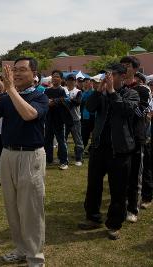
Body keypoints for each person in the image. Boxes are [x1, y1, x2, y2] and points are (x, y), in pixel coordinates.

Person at [0, 57, 48, 267]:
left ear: (34, 74)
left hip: (30, 156)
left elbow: (29, 115)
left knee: (31, 209)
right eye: (14, 70)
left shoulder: (39, 96)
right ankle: (22, 249)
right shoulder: (7, 98)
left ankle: (35, 258)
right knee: (13, 207)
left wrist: (9, 89)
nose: (15, 73)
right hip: (8, 155)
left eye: (21, 70)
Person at [78, 64, 139, 240]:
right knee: (93, 185)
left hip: (120, 150)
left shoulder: (131, 93)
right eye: (107, 74)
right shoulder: (102, 93)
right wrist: (99, 91)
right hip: (99, 148)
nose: (108, 77)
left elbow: (126, 111)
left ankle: (114, 224)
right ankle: (92, 217)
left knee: (118, 189)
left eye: (112, 74)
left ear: (123, 76)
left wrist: (112, 92)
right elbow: (89, 107)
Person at [120, 56, 150, 223]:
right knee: (121, 174)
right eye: (122, 65)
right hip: (119, 138)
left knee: (135, 175)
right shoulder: (118, 87)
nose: (124, 68)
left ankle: (133, 208)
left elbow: (140, 112)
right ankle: (122, 204)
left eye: (127, 66)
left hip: (137, 137)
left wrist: (124, 104)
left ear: (136, 69)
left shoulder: (143, 90)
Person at [44, 70, 70, 170]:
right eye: (53, 76)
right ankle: (48, 159)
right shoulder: (47, 90)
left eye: (57, 76)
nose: (55, 78)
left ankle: (64, 161)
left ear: (61, 79)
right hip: (49, 118)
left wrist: (54, 101)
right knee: (47, 140)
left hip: (59, 119)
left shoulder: (63, 90)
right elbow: (44, 101)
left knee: (61, 141)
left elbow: (66, 100)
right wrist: (49, 102)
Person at [64, 74, 84, 166]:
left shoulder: (78, 91)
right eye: (69, 80)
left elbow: (78, 102)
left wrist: (68, 100)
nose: (71, 81)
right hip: (64, 120)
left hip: (75, 120)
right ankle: (63, 158)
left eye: (72, 80)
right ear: (66, 81)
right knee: (63, 140)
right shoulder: (63, 90)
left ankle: (79, 158)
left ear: (75, 81)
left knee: (78, 140)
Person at [81, 76, 95, 151]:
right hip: (86, 116)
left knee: (94, 134)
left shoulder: (94, 92)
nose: (87, 83)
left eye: (88, 82)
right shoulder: (83, 92)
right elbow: (82, 100)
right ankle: (82, 149)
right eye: (85, 82)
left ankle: (91, 149)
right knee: (84, 134)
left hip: (94, 116)